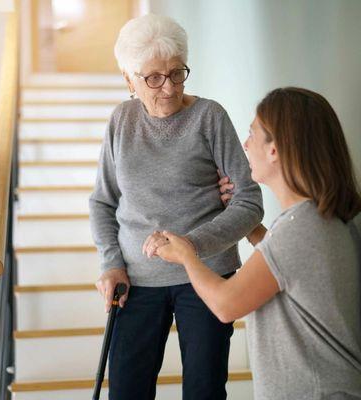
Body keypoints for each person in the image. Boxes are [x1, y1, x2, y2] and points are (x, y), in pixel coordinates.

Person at [89, 13, 263, 400]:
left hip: (206, 275)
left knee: (204, 390)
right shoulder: (121, 121)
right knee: (127, 391)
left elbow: (249, 201)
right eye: (153, 77)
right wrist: (111, 263)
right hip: (136, 281)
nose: (168, 88)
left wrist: (190, 247)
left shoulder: (209, 116)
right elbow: (103, 202)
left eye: (177, 73)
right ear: (128, 79)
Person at [152, 87, 361, 399]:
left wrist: (187, 254)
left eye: (251, 135)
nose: (246, 146)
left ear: (274, 150)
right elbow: (285, 269)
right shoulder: (322, 220)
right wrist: (249, 225)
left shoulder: (299, 230)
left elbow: (225, 305)